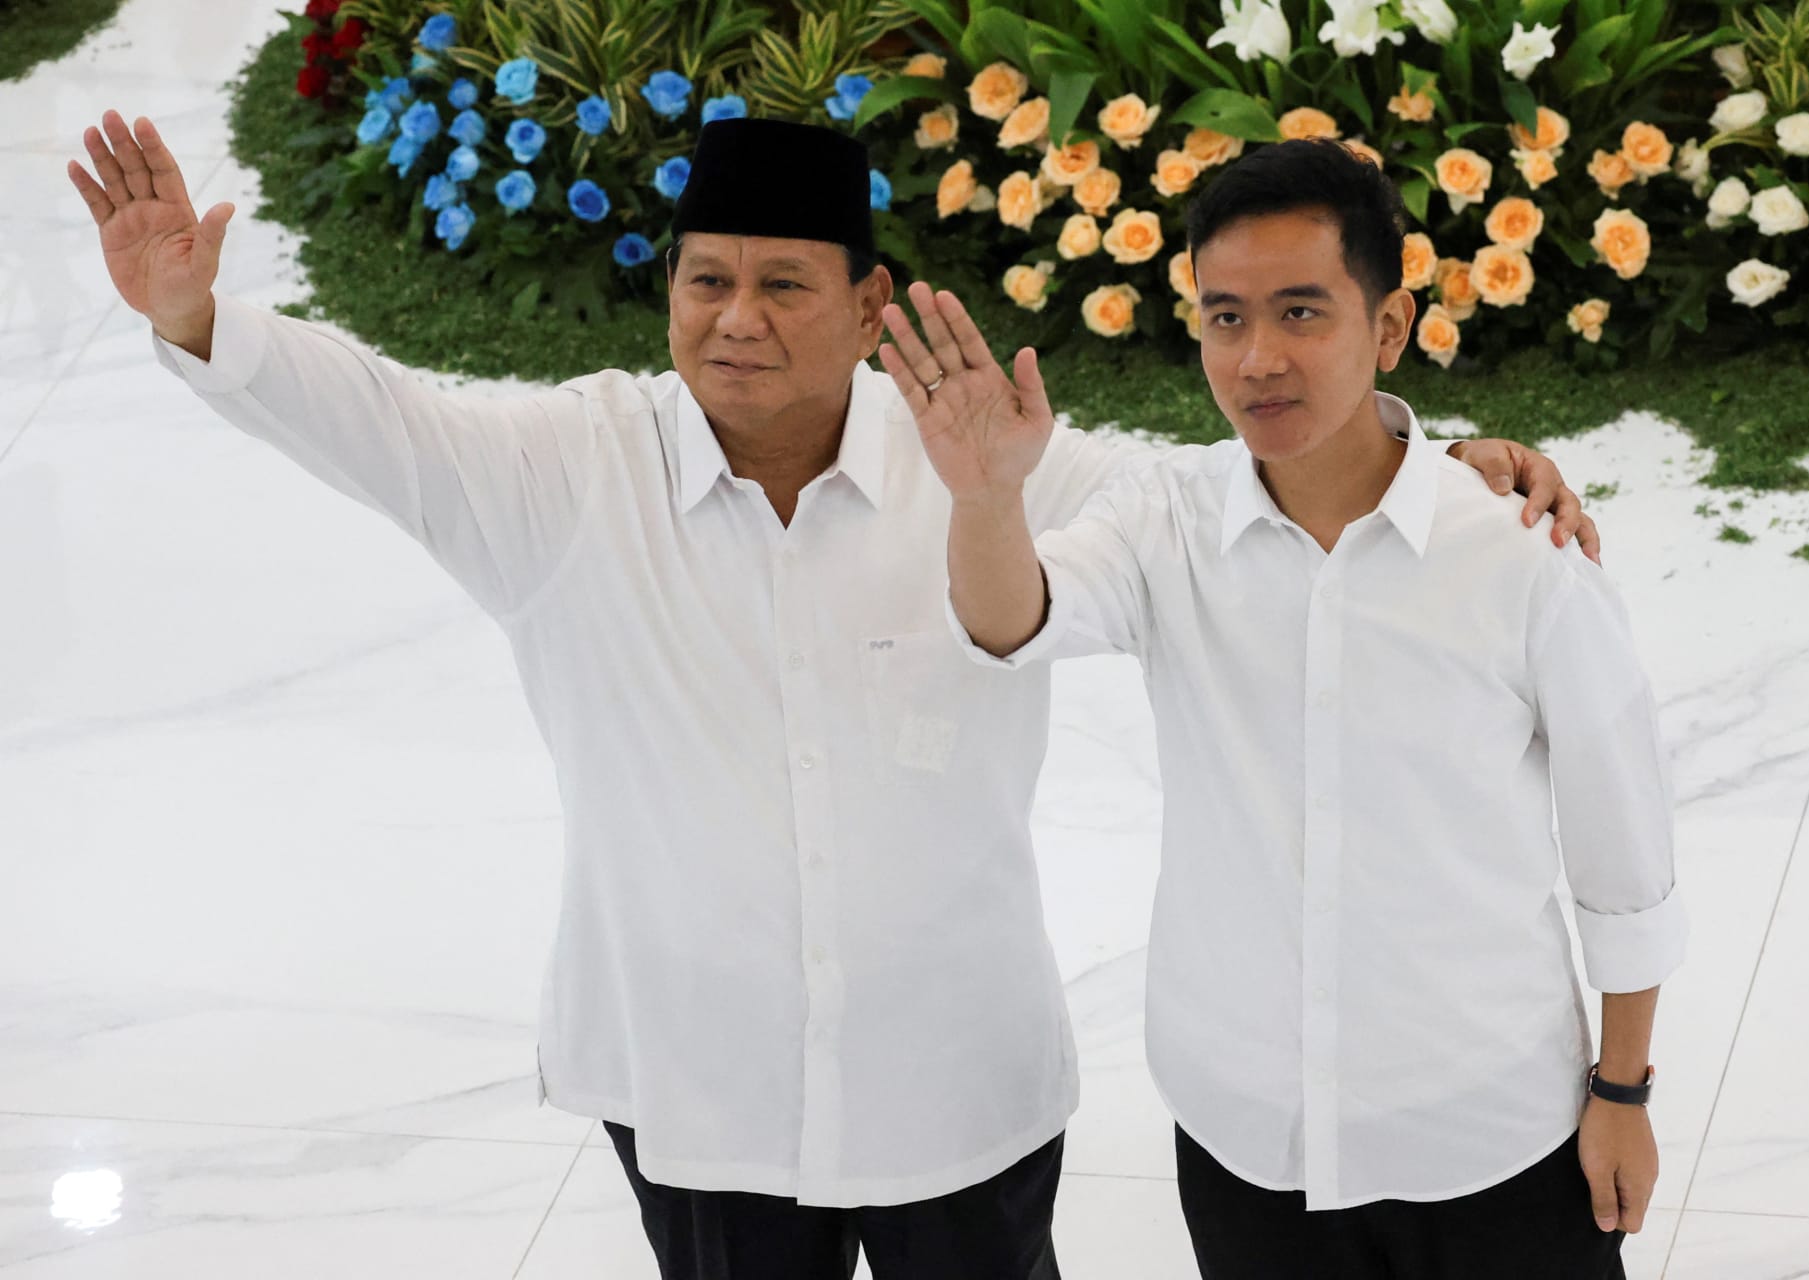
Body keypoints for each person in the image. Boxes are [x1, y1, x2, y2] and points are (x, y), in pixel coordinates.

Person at [68, 110, 1599, 1280]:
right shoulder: (567, 471)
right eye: (708, 281)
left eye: (783, 286)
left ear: (872, 307)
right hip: (695, 1081)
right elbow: (377, 418)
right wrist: (202, 321)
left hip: (961, 1081)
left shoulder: (986, 452)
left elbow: (1232, 496)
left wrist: (1448, 457)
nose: (736, 319)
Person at [888, 138, 1685, 1279]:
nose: (1258, 357)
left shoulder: (1516, 553)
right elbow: (1012, 620)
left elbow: (1627, 856)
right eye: (1224, 318)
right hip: (1250, 1136)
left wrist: (1622, 1088)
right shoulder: (1165, 523)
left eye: (1303, 312)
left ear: (1392, 327)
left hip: (1491, 1133)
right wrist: (985, 495)